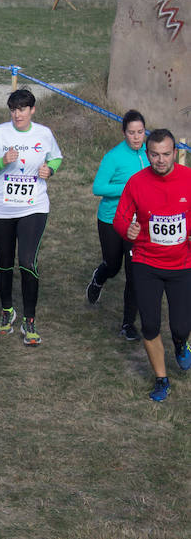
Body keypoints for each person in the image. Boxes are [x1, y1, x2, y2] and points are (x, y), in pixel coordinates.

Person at [0, 89, 63, 346]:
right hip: (1, 207)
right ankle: (7, 310)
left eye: (23, 109)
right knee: (4, 262)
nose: (18, 114)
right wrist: (1, 162)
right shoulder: (0, 133)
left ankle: (30, 319)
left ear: (32, 110)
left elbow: (56, 158)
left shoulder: (44, 134)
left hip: (33, 207)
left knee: (27, 261)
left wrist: (50, 170)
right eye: (13, 109)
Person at [113, 129, 191, 401]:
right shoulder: (136, 182)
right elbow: (120, 218)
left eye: (166, 154)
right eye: (155, 154)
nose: (160, 160)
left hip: (182, 265)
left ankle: (181, 343)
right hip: (146, 263)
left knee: (181, 326)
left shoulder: (188, 179)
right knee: (150, 325)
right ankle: (161, 379)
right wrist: (127, 231)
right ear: (147, 154)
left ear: (175, 153)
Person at [86, 110, 148, 340]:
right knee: (113, 266)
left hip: (138, 224)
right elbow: (98, 187)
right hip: (111, 219)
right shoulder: (113, 156)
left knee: (135, 274)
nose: (136, 137)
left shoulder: (150, 155)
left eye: (140, 132)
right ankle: (99, 278)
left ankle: (127, 324)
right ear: (124, 133)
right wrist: (127, 189)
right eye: (131, 133)